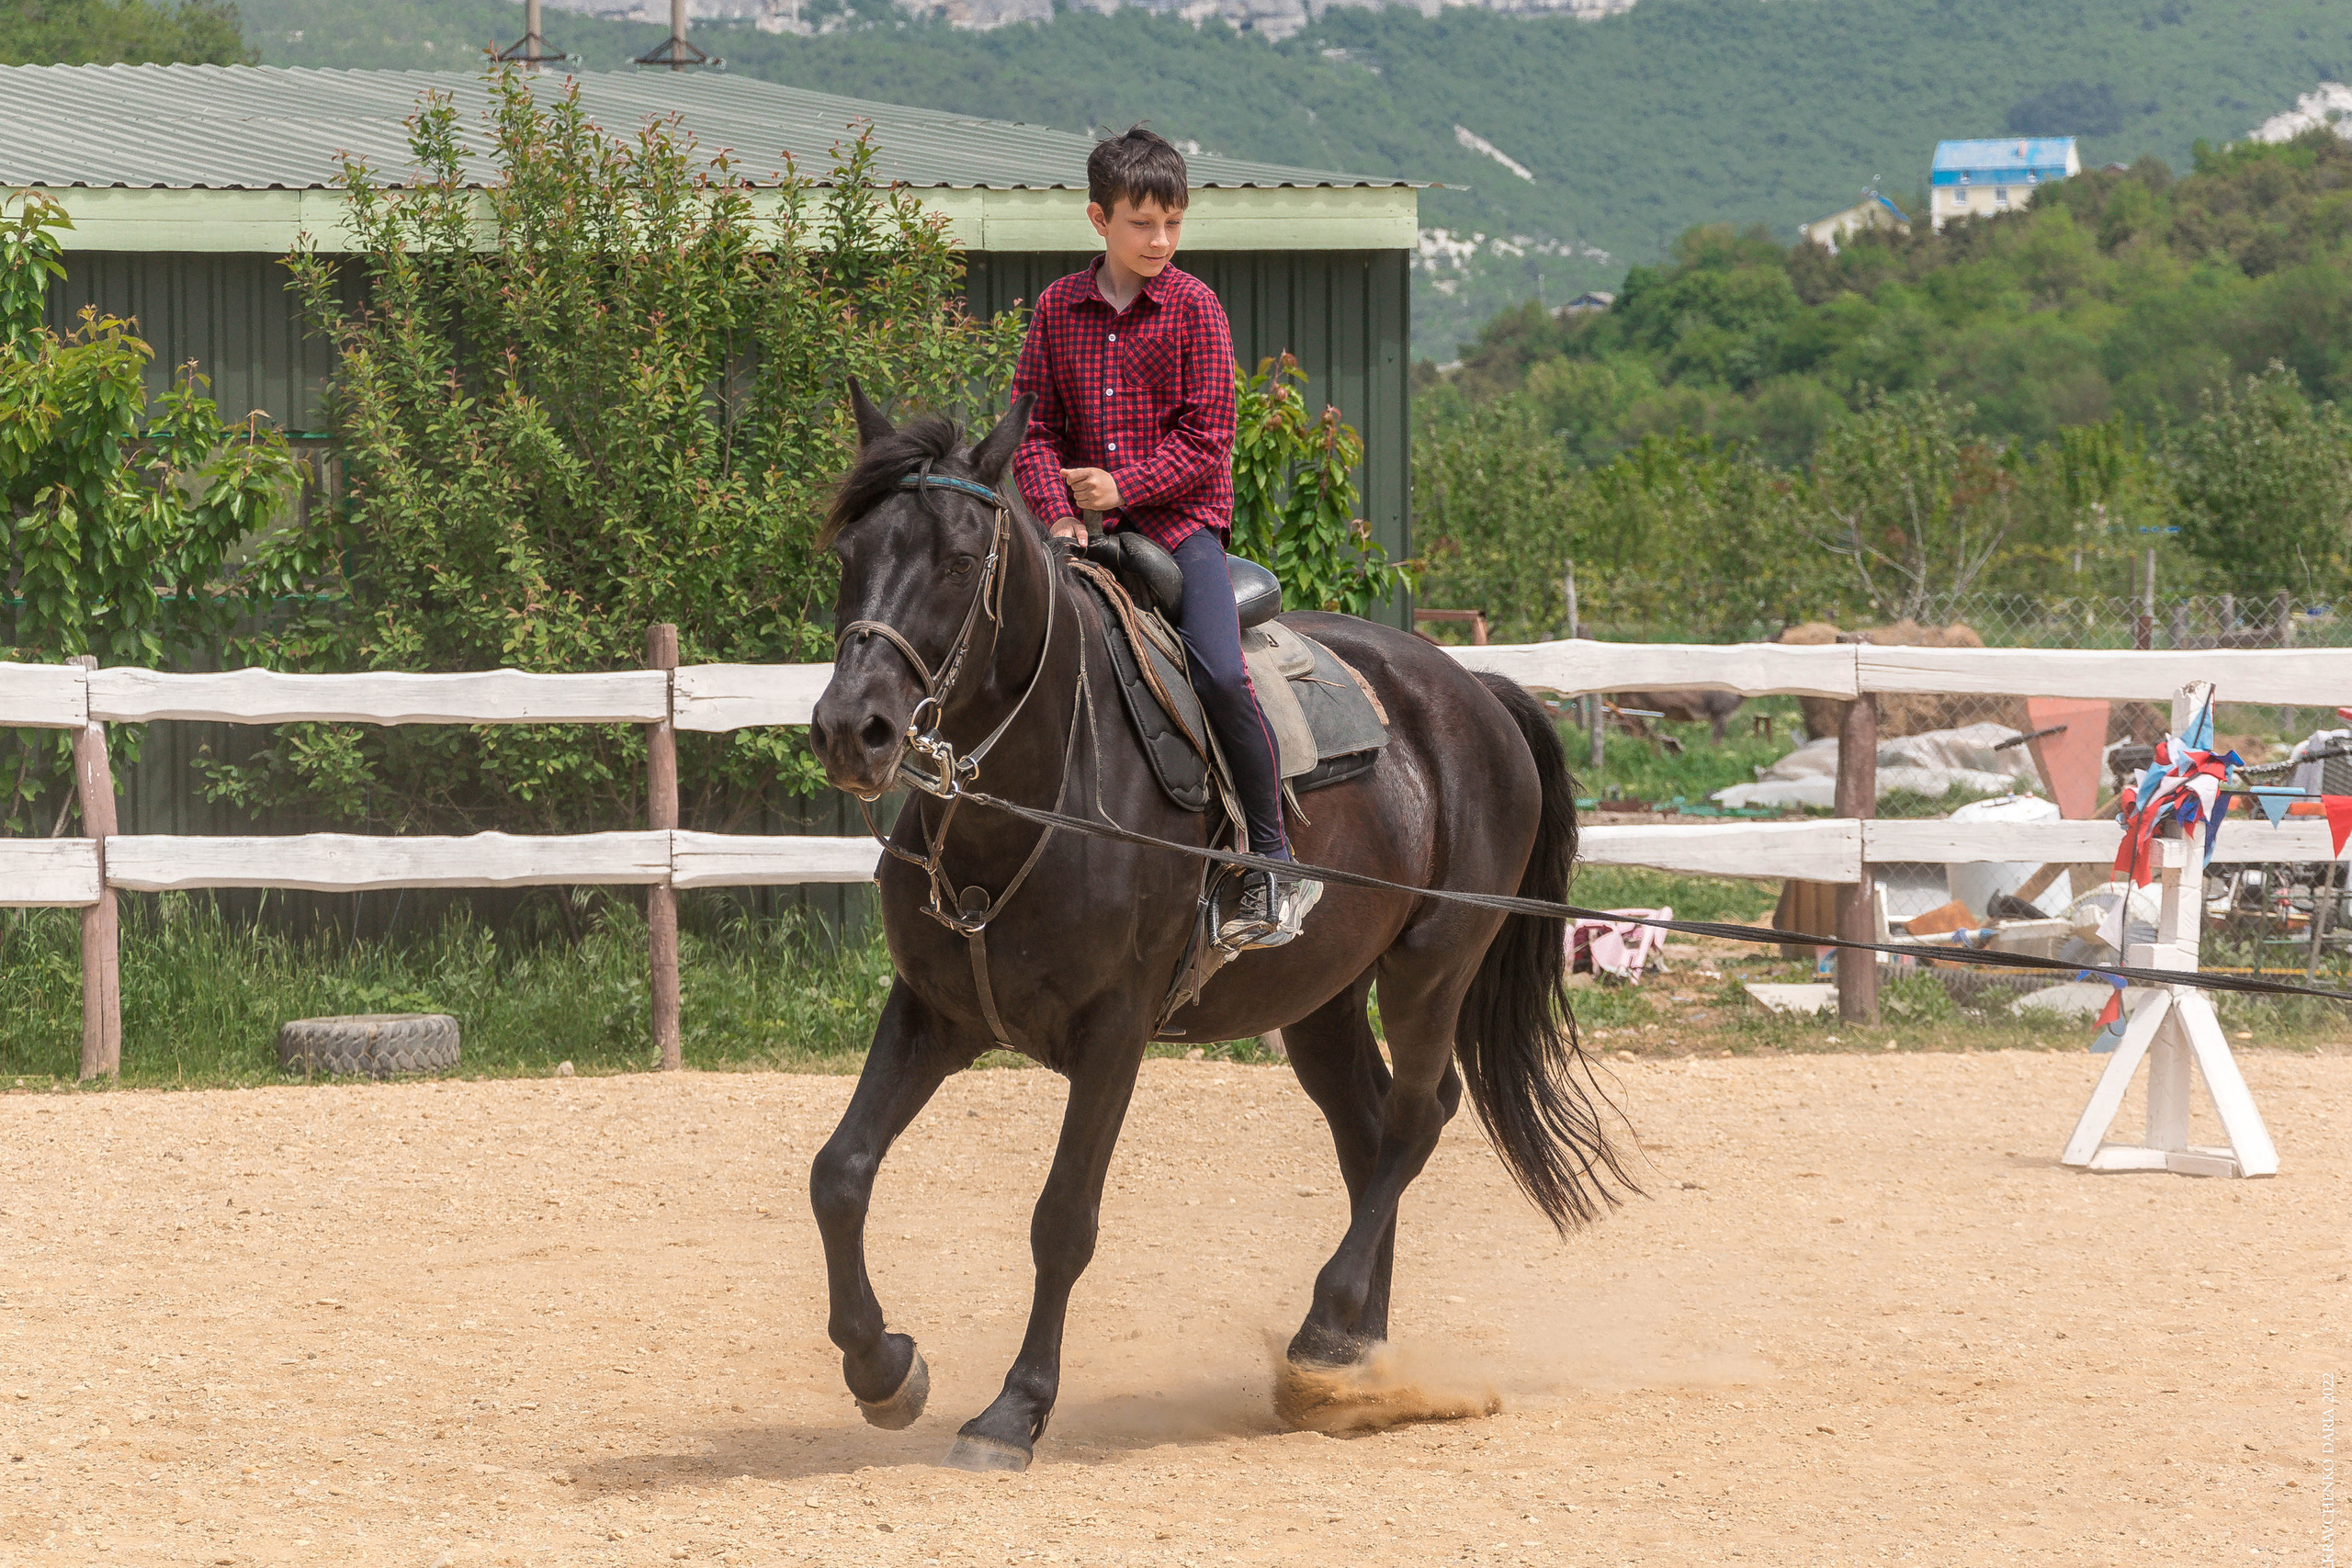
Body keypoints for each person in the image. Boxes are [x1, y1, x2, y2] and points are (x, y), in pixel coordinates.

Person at [1008, 124, 1320, 949]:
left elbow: (1207, 442)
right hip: (1082, 537)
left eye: (1173, 223)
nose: (1161, 240)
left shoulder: (1195, 308)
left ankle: (1272, 857)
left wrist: (1122, 487)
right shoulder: (1057, 309)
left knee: (1217, 670)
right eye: (1142, 223)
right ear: (1098, 219)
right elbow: (1033, 429)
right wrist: (1059, 512)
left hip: (1182, 529)